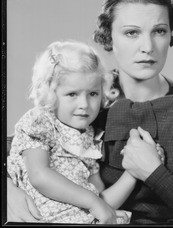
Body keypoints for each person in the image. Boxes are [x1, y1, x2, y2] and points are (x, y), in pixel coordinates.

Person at [7, 0, 173, 224]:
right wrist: (6, 191)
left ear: (171, 35)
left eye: (159, 31)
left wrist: (154, 173)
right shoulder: (86, 96)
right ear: (108, 36)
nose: (148, 46)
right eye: (132, 32)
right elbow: (21, 149)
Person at [7, 40, 162, 224]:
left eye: (93, 94)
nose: (84, 105)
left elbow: (103, 201)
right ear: (50, 93)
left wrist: (133, 173)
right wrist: (93, 202)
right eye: (72, 94)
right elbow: (39, 175)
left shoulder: (90, 138)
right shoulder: (40, 121)